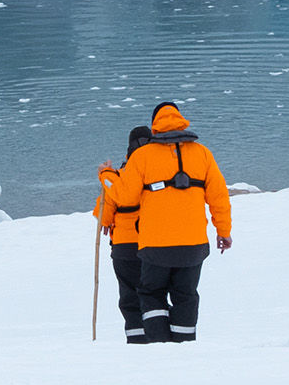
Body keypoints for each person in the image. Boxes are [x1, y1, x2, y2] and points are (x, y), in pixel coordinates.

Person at [106, 101, 233, 343]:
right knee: (186, 294)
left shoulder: (142, 156)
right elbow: (219, 197)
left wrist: (107, 176)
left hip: (155, 245)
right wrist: (223, 232)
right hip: (194, 244)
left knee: (151, 293)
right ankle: (184, 345)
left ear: (155, 125)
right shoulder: (203, 153)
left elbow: (125, 197)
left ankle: (159, 346)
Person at [97, 127, 151, 343]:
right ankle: (157, 336)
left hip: (123, 247)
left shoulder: (119, 177)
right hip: (153, 243)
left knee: (130, 296)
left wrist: (106, 176)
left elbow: (103, 217)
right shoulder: (156, 174)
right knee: (153, 293)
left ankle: (136, 339)